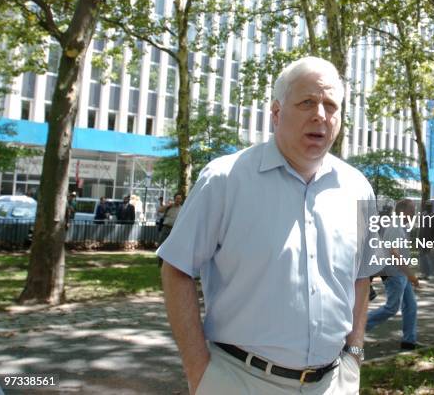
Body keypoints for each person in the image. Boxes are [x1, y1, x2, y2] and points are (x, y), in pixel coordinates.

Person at [158, 57, 378, 394]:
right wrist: (199, 373)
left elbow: (362, 277)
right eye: (307, 102)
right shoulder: (225, 179)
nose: (320, 114)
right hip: (240, 381)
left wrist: (355, 358)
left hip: (334, 384)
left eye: (331, 105)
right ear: (276, 113)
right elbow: (176, 269)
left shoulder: (357, 187)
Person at [365, 199, 420, 350]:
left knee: (410, 306)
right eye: (412, 211)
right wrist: (411, 275)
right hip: (394, 274)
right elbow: (394, 253)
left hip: (400, 273)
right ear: (404, 212)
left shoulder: (399, 226)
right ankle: (357, 329)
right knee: (392, 308)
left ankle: (409, 340)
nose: (414, 213)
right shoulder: (395, 227)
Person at [157, 193, 183, 267]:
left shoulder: (182, 208)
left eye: (179, 198)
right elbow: (160, 210)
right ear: (174, 199)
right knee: (162, 245)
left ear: (181, 200)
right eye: (177, 198)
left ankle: (170, 264)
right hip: (166, 228)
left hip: (175, 230)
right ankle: (160, 263)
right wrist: (167, 205)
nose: (178, 200)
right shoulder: (169, 207)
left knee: (174, 247)